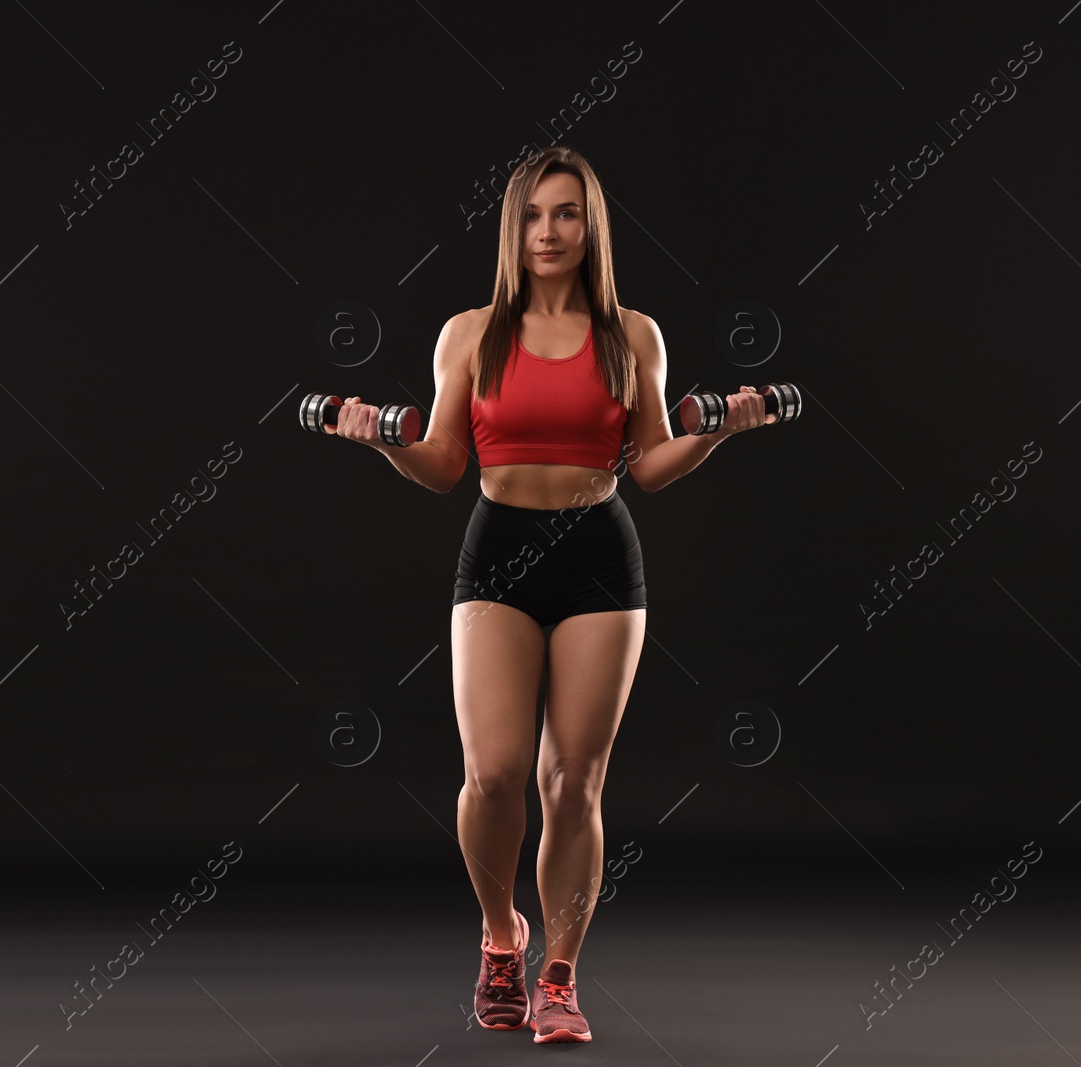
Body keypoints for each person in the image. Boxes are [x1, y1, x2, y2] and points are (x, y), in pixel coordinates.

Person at [326, 145, 772, 1043]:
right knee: (492, 777)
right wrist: (381, 440)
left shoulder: (631, 336)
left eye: (566, 213)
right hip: (499, 549)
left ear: (591, 226)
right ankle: (502, 937)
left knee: (573, 781)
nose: (548, 232)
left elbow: (648, 463)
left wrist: (725, 429)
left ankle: (559, 977)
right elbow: (445, 463)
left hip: (601, 557)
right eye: (532, 215)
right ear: (511, 229)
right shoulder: (470, 334)